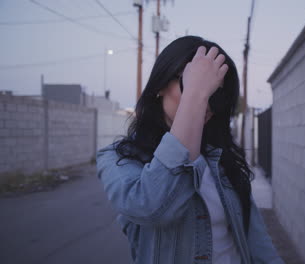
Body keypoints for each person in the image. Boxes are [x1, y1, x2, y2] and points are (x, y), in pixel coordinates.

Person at [96, 35, 284, 264]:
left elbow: (258, 243)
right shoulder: (118, 159)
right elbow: (154, 208)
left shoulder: (222, 159)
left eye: (215, 93)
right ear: (160, 86)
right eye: (192, 83)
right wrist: (195, 96)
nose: (205, 100)